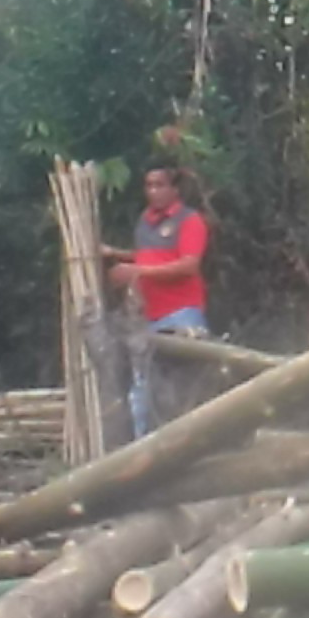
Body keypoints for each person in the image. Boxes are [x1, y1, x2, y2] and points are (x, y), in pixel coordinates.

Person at [102, 163, 209, 438]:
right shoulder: (145, 221)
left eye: (159, 185)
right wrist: (117, 254)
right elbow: (148, 257)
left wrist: (136, 271)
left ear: (175, 189)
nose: (153, 191)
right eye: (148, 185)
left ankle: (186, 446)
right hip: (149, 317)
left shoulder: (190, 221)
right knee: (145, 390)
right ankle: (146, 450)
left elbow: (189, 265)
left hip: (181, 314)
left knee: (181, 387)